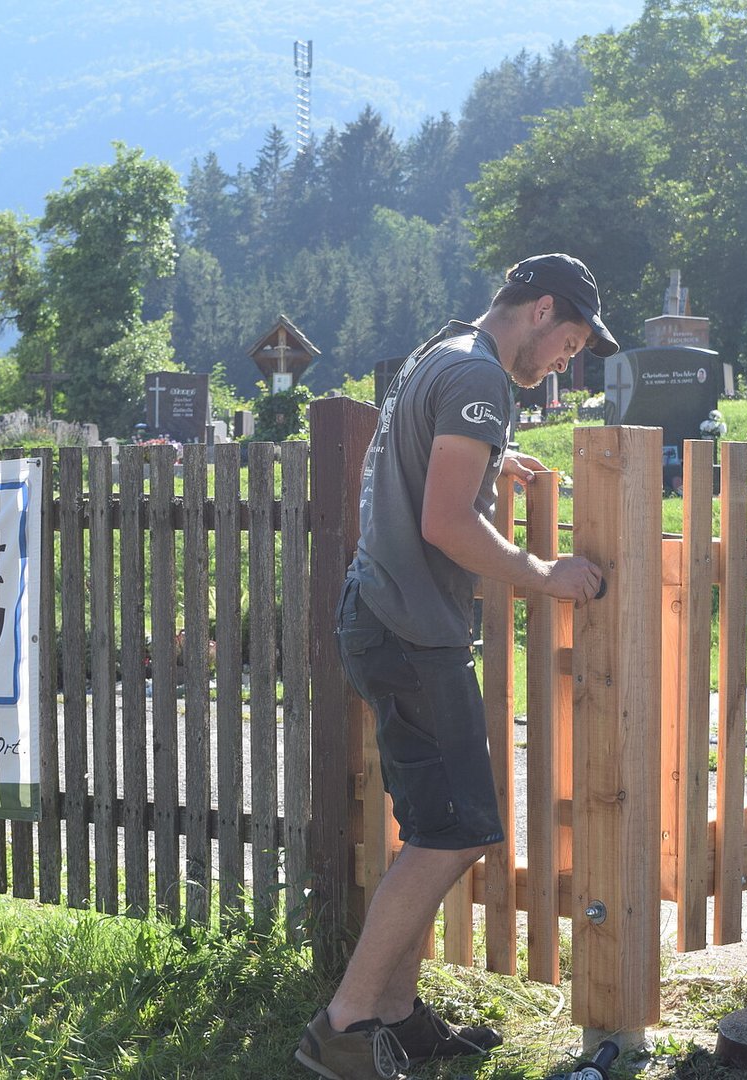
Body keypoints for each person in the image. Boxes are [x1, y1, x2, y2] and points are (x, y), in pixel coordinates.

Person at [297, 254, 617, 1080]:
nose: (567, 360)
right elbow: (444, 522)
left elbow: (417, 457)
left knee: (433, 830)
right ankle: (345, 1026)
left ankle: (398, 1016)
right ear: (542, 309)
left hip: (382, 616)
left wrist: (488, 456)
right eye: (571, 340)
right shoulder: (480, 378)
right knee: (457, 830)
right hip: (412, 629)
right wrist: (544, 574)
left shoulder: (442, 352)